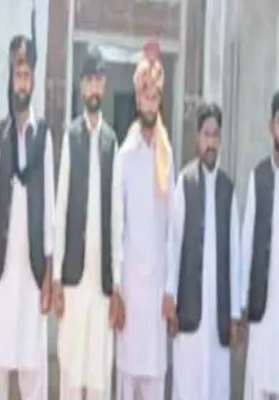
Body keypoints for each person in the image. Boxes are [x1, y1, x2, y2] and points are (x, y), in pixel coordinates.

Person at [0, 7, 54, 400]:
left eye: (27, 75)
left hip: (33, 269)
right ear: (11, 79)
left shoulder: (45, 135)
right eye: (17, 74)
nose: (21, 82)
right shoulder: (0, 133)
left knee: (32, 365)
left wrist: (49, 274)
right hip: (4, 267)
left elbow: (50, 206)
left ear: (33, 80)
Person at [52, 46, 124, 400]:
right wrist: (56, 279)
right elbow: (61, 207)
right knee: (71, 372)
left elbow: (116, 219)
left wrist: (117, 285)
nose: (94, 88)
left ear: (104, 86)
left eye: (99, 80)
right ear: (81, 87)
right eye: (89, 81)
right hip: (73, 278)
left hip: (102, 282)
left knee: (98, 377)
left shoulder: (113, 142)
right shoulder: (71, 136)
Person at [166, 102, 242, 400]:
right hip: (189, 307)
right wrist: (170, 298)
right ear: (198, 138)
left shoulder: (228, 189)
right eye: (206, 135)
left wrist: (234, 314)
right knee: (187, 385)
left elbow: (234, 256)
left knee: (216, 386)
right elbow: (174, 244)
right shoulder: (185, 183)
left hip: (218, 312)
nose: (211, 142)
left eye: (215, 135)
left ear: (220, 139)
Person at [114, 40, 175, 399]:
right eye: (145, 96)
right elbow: (117, 227)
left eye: (155, 97)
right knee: (128, 381)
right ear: (137, 101)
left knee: (154, 378)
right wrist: (117, 290)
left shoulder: (167, 156)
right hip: (130, 291)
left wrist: (170, 289)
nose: (150, 104)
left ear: (159, 102)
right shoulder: (125, 155)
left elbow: (172, 229)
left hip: (157, 294)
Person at [241, 88, 279, 400]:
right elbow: (247, 245)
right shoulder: (258, 178)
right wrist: (242, 305)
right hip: (263, 306)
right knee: (259, 384)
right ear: (271, 126)